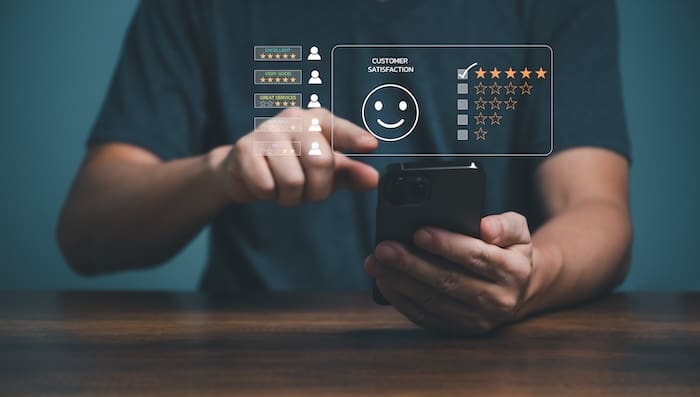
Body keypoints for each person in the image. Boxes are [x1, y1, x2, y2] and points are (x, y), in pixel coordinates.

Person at [57, 0, 631, 335]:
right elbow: (87, 231)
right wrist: (219, 172)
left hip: (480, 358)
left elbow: (597, 211)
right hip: (256, 361)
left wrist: (530, 279)